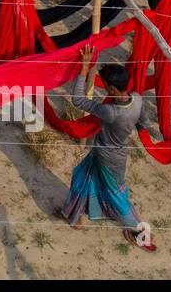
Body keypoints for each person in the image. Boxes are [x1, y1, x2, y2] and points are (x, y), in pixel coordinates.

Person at [57, 50, 156, 251]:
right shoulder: (136, 99)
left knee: (116, 195)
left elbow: (78, 100)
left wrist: (83, 69)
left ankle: (140, 232)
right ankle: (72, 214)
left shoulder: (110, 111)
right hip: (117, 152)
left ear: (111, 88)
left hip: (107, 156)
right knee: (82, 177)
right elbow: (143, 123)